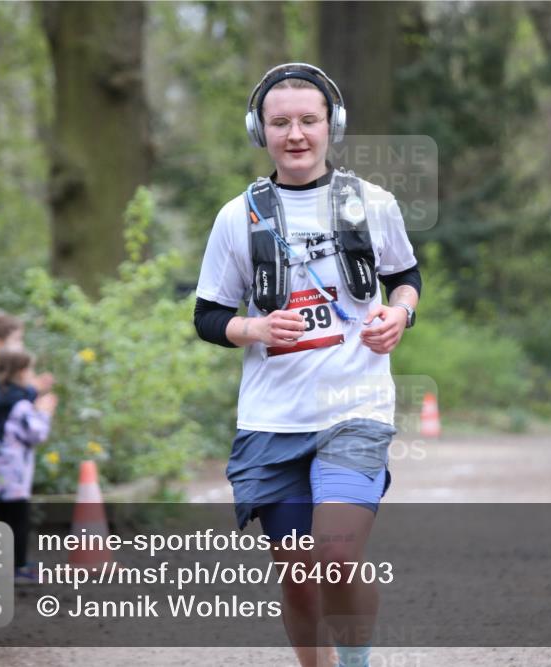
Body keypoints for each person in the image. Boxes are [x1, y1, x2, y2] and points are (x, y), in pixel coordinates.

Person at [194, 63, 422, 667]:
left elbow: (405, 278)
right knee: (298, 577)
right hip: (272, 420)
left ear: (331, 126)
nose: (295, 134)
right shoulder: (235, 218)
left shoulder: (372, 203)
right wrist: (255, 327)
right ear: (259, 131)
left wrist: (401, 314)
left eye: (308, 120)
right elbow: (208, 316)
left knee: (337, 557)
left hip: (355, 410)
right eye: (280, 122)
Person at [0, 348, 58, 583]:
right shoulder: (19, 404)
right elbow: (36, 433)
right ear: (21, 372)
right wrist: (45, 412)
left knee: (2, 518)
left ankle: (2, 566)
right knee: (18, 519)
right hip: (13, 471)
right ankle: (18, 568)